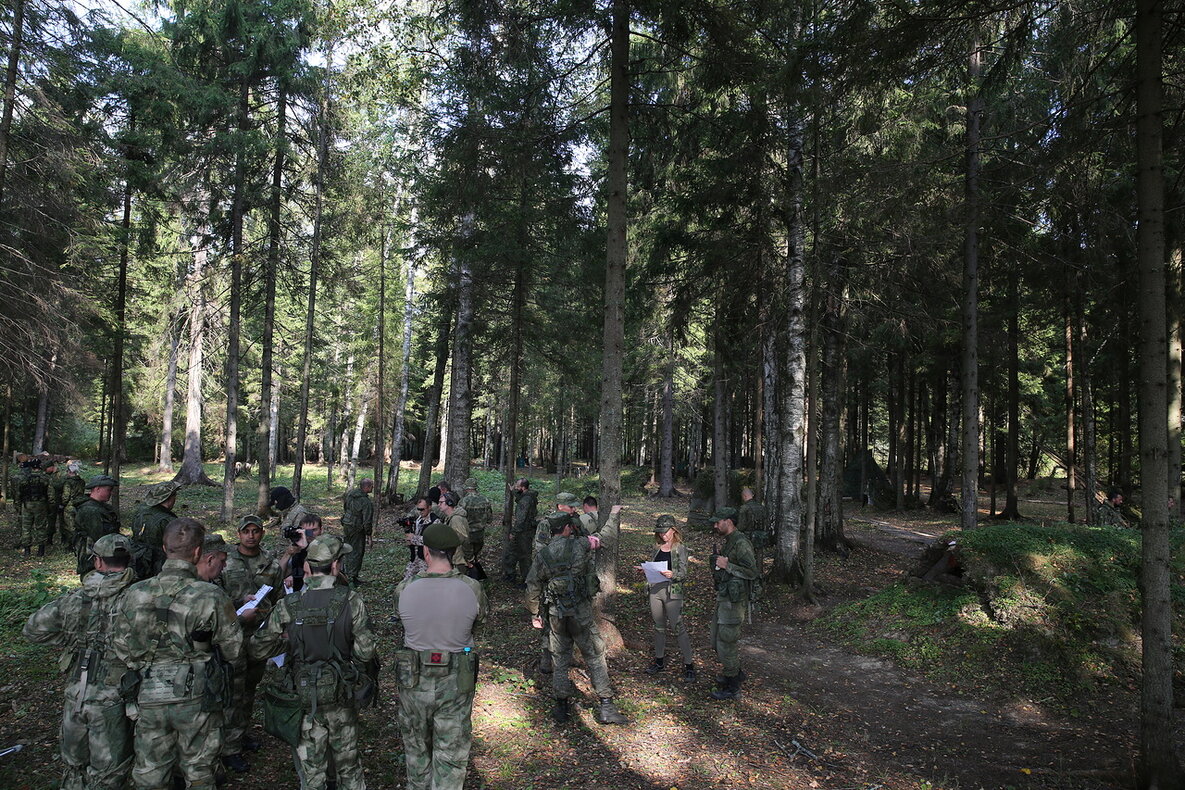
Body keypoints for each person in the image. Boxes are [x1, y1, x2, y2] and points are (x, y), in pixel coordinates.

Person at [111, 517, 243, 790]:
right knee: (199, 771)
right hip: (197, 697)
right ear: (197, 552)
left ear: (164, 547)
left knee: (150, 771)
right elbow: (233, 649)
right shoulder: (211, 595)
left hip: (148, 693)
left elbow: (120, 646)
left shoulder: (134, 593)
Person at [250, 535, 376, 790]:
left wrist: (290, 643)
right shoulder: (351, 600)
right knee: (349, 767)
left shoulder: (289, 604)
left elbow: (258, 647)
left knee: (312, 772)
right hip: (341, 695)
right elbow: (365, 652)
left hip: (304, 696)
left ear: (308, 567)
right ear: (336, 566)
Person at [23, 533, 138, 790]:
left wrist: (70, 638)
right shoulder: (138, 599)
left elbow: (33, 629)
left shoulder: (75, 599)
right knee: (108, 772)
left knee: (74, 767)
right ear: (128, 561)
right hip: (113, 698)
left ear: (97, 562)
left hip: (76, 693)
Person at [393, 522, 487, 790]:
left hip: (414, 679)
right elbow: (478, 623)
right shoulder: (473, 588)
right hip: (456, 680)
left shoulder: (404, 588)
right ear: (453, 552)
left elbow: (402, 620)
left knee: (416, 749)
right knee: (451, 752)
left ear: (426, 553)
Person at [525, 513, 627, 726]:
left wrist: (535, 614)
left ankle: (561, 707)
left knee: (560, 659)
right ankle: (606, 705)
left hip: (556, 615)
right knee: (595, 655)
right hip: (580, 613)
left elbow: (533, 584)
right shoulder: (581, 544)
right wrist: (615, 514)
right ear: (566, 528)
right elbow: (604, 537)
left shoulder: (543, 554)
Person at [217, 515, 282, 764]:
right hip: (231, 636)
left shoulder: (270, 564)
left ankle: (241, 734)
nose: (251, 535)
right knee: (233, 691)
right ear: (239, 533)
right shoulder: (226, 561)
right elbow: (216, 598)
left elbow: (278, 599)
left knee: (249, 688)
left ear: (262, 534)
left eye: (256, 531)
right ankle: (229, 748)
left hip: (259, 635)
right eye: (247, 531)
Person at [708, 507, 758, 701]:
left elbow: (752, 572)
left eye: (718, 521)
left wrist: (726, 565)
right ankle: (735, 673)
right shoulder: (730, 541)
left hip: (734, 602)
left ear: (729, 521)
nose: (715, 525)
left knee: (726, 643)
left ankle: (733, 687)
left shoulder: (741, 542)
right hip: (726, 598)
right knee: (716, 640)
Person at [641, 514, 695, 681]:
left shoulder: (680, 548)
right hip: (656, 590)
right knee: (658, 627)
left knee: (678, 627)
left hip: (673, 591)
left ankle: (689, 665)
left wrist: (673, 574)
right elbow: (653, 566)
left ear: (673, 530)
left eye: (665, 532)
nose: (663, 535)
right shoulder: (656, 547)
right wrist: (645, 570)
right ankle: (659, 661)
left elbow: (684, 573)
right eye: (660, 532)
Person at [130, 480, 182, 577]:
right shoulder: (168, 521)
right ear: (170, 498)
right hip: (159, 566)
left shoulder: (140, 512)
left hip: (137, 562)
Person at [74, 475, 121, 577]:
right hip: (94, 558)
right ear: (97, 489)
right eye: (109, 490)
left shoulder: (101, 507)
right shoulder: (91, 510)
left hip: (103, 556)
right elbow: (99, 537)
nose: (111, 493)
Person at [502, 478, 538, 586]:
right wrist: (513, 491)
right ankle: (510, 575)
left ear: (523, 488)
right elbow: (520, 498)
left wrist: (513, 532)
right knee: (511, 553)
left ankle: (526, 581)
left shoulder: (526, 500)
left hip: (523, 533)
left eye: (517, 486)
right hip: (523, 531)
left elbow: (521, 519)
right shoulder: (527, 496)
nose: (516, 488)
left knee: (524, 557)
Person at [341, 479, 375, 586]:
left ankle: (345, 572)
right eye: (371, 486)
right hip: (356, 528)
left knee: (347, 548)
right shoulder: (366, 502)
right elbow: (367, 521)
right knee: (357, 551)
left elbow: (346, 508)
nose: (372, 488)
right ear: (367, 487)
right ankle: (352, 577)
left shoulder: (351, 495)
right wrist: (369, 535)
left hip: (347, 524)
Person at [15, 457, 50, 556]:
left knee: (26, 527)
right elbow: (50, 494)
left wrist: (18, 505)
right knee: (41, 527)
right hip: (41, 505)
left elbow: (18, 493)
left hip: (27, 505)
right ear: (40, 466)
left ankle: (27, 550)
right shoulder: (45, 478)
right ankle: (41, 551)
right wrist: (50, 506)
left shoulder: (24, 478)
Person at [281, 512, 324, 592]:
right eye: (306, 531)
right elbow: (279, 574)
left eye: (314, 530)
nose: (311, 534)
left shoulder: (328, 547)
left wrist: (306, 548)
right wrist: (287, 554)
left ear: (321, 530)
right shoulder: (298, 548)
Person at [403, 497, 438, 583]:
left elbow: (432, 540)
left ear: (429, 507)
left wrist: (413, 538)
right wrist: (410, 540)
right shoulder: (419, 519)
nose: (420, 511)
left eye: (422, 509)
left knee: (424, 583)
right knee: (406, 582)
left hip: (427, 559)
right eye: (418, 509)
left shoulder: (435, 522)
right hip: (416, 557)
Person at [439, 492, 474, 572]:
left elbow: (464, 540)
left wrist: (469, 558)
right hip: (454, 558)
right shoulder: (449, 518)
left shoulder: (456, 519)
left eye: (441, 502)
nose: (438, 505)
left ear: (449, 503)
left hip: (458, 561)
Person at [458, 478, 492, 562]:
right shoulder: (485, 500)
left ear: (467, 488)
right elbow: (489, 519)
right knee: (475, 556)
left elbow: (458, 518)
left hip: (467, 534)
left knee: (467, 558)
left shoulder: (463, 501)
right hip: (479, 534)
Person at [737, 487, 769, 570]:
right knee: (759, 556)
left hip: (748, 537)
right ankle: (759, 573)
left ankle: (750, 575)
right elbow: (766, 522)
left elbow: (741, 526)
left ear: (744, 496)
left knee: (747, 558)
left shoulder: (744, 508)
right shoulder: (761, 507)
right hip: (761, 536)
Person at [61, 462, 86, 547]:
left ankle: (72, 545)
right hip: (80, 504)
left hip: (70, 506)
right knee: (78, 525)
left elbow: (66, 496)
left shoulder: (68, 482)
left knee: (69, 527)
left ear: (69, 472)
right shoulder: (82, 481)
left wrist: (62, 504)